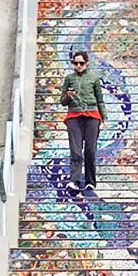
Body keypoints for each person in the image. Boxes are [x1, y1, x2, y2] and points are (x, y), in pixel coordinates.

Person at [59, 49, 106, 193]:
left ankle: (90, 181)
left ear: (87, 64)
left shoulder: (94, 78)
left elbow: (100, 100)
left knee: (90, 150)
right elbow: (62, 102)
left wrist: (104, 118)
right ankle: (74, 180)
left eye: (81, 63)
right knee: (76, 150)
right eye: (76, 63)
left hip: (92, 116)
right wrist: (68, 96)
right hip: (74, 116)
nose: (78, 66)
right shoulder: (69, 79)